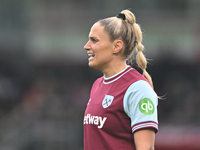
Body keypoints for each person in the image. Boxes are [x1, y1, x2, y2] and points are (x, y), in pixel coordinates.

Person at [83, 9, 158, 150]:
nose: (86, 46)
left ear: (116, 46)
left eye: (94, 40)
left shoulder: (138, 88)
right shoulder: (97, 85)